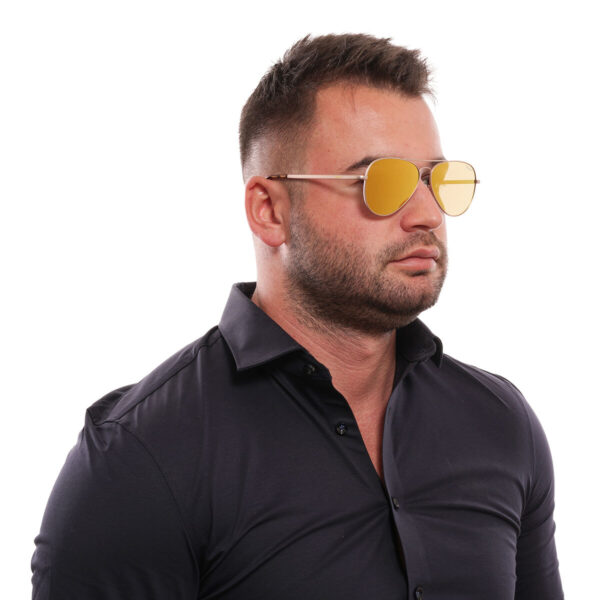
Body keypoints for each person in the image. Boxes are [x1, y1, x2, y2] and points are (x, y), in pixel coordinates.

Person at [31, 34, 563, 599]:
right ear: (269, 211)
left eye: (434, 179)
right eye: (380, 183)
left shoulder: (500, 424)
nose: (427, 215)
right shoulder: (141, 458)